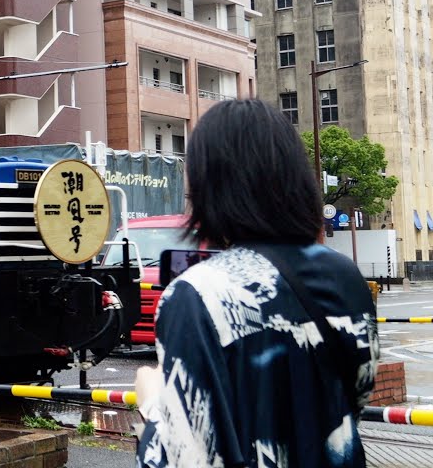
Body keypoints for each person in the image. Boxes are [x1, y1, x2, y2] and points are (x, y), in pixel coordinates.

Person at [135, 99, 379, 468]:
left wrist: (152, 402)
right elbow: (356, 397)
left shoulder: (196, 293)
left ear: (213, 185)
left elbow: (180, 458)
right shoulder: (346, 276)